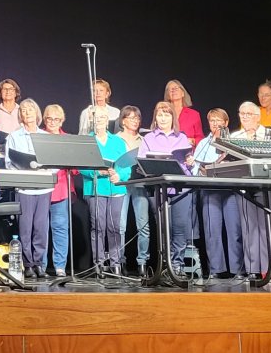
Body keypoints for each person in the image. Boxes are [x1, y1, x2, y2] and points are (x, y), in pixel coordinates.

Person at [138, 101, 196, 275]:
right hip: (158, 188)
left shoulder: (182, 137)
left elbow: (188, 164)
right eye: (160, 114)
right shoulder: (148, 138)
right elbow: (142, 163)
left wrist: (190, 162)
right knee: (164, 227)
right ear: (155, 117)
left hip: (181, 188)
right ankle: (165, 264)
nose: (163, 118)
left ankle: (177, 264)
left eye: (167, 114)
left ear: (173, 117)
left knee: (180, 227)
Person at [192, 108, 245, 279]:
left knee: (234, 230)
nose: (215, 124)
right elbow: (195, 169)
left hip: (231, 189)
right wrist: (197, 166)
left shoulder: (234, 141)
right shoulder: (203, 143)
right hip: (210, 190)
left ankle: (238, 269)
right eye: (212, 121)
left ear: (226, 123)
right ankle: (216, 269)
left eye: (218, 120)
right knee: (211, 230)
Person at [230, 101, 271, 278]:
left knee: (265, 227)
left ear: (257, 117)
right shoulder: (235, 136)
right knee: (248, 227)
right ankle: (252, 269)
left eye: (248, 114)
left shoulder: (268, 133)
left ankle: (269, 269)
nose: (244, 117)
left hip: (264, 184)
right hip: (244, 186)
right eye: (241, 113)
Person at [5, 99, 51, 278]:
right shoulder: (14, 137)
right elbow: (10, 163)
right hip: (24, 188)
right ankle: (27, 264)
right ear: (20, 115)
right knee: (24, 228)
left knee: (40, 227)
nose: (27, 113)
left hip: (43, 188)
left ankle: (39, 263)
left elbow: (53, 162)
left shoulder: (45, 136)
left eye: (30, 110)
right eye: (23, 110)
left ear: (37, 113)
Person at [81, 106, 130, 275]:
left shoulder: (118, 141)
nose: (98, 120)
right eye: (95, 117)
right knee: (98, 226)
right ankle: (99, 263)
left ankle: (116, 263)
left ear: (107, 120)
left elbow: (127, 166)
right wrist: (96, 171)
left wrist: (119, 175)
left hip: (115, 188)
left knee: (114, 226)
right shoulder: (86, 140)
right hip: (95, 189)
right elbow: (80, 167)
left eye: (102, 117)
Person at [42, 104, 76, 277]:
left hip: (61, 189)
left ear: (62, 120)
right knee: (40, 229)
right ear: (44, 119)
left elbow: (76, 169)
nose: (53, 122)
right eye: (49, 118)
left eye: (56, 119)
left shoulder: (67, 139)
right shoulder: (39, 137)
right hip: (40, 188)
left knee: (60, 228)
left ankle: (60, 266)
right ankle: (40, 266)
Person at [115, 105, 149, 275]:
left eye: (137, 118)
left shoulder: (144, 140)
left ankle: (142, 261)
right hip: (121, 184)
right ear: (123, 120)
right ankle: (119, 262)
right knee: (120, 226)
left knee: (143, 225)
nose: (135, 121)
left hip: (139, 183)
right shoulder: (115, 139)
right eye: (131, 118)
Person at [165, 79, 203, 145]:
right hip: (167, 151)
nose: (173, 90)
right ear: (168, 95)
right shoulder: (163, 114)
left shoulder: (194, 114)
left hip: (187, 152)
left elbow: (200, 139)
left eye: (176, 88)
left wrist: (192, 141)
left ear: (183, 93)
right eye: (170, 89)